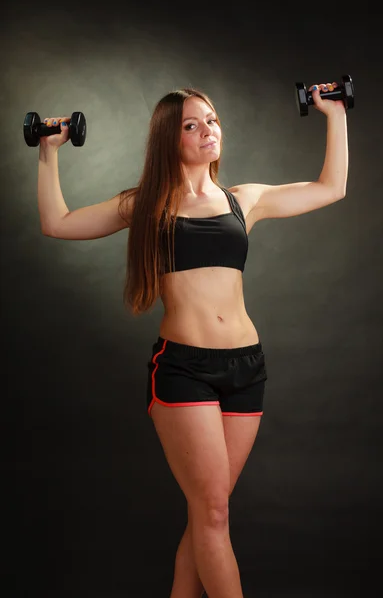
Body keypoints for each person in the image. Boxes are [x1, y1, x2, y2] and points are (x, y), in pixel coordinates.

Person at [37, 82, 348, 598]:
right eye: (192, 124)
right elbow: (56, 223)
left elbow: (331, 186)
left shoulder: (242, 200)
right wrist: (48, 152)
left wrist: (334, 112)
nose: (209, 130)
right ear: (169, 139)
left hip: (247, 369)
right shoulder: (143, 206)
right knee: (213, 512)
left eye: (213, 120)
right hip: (184, 372)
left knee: (207, 513)